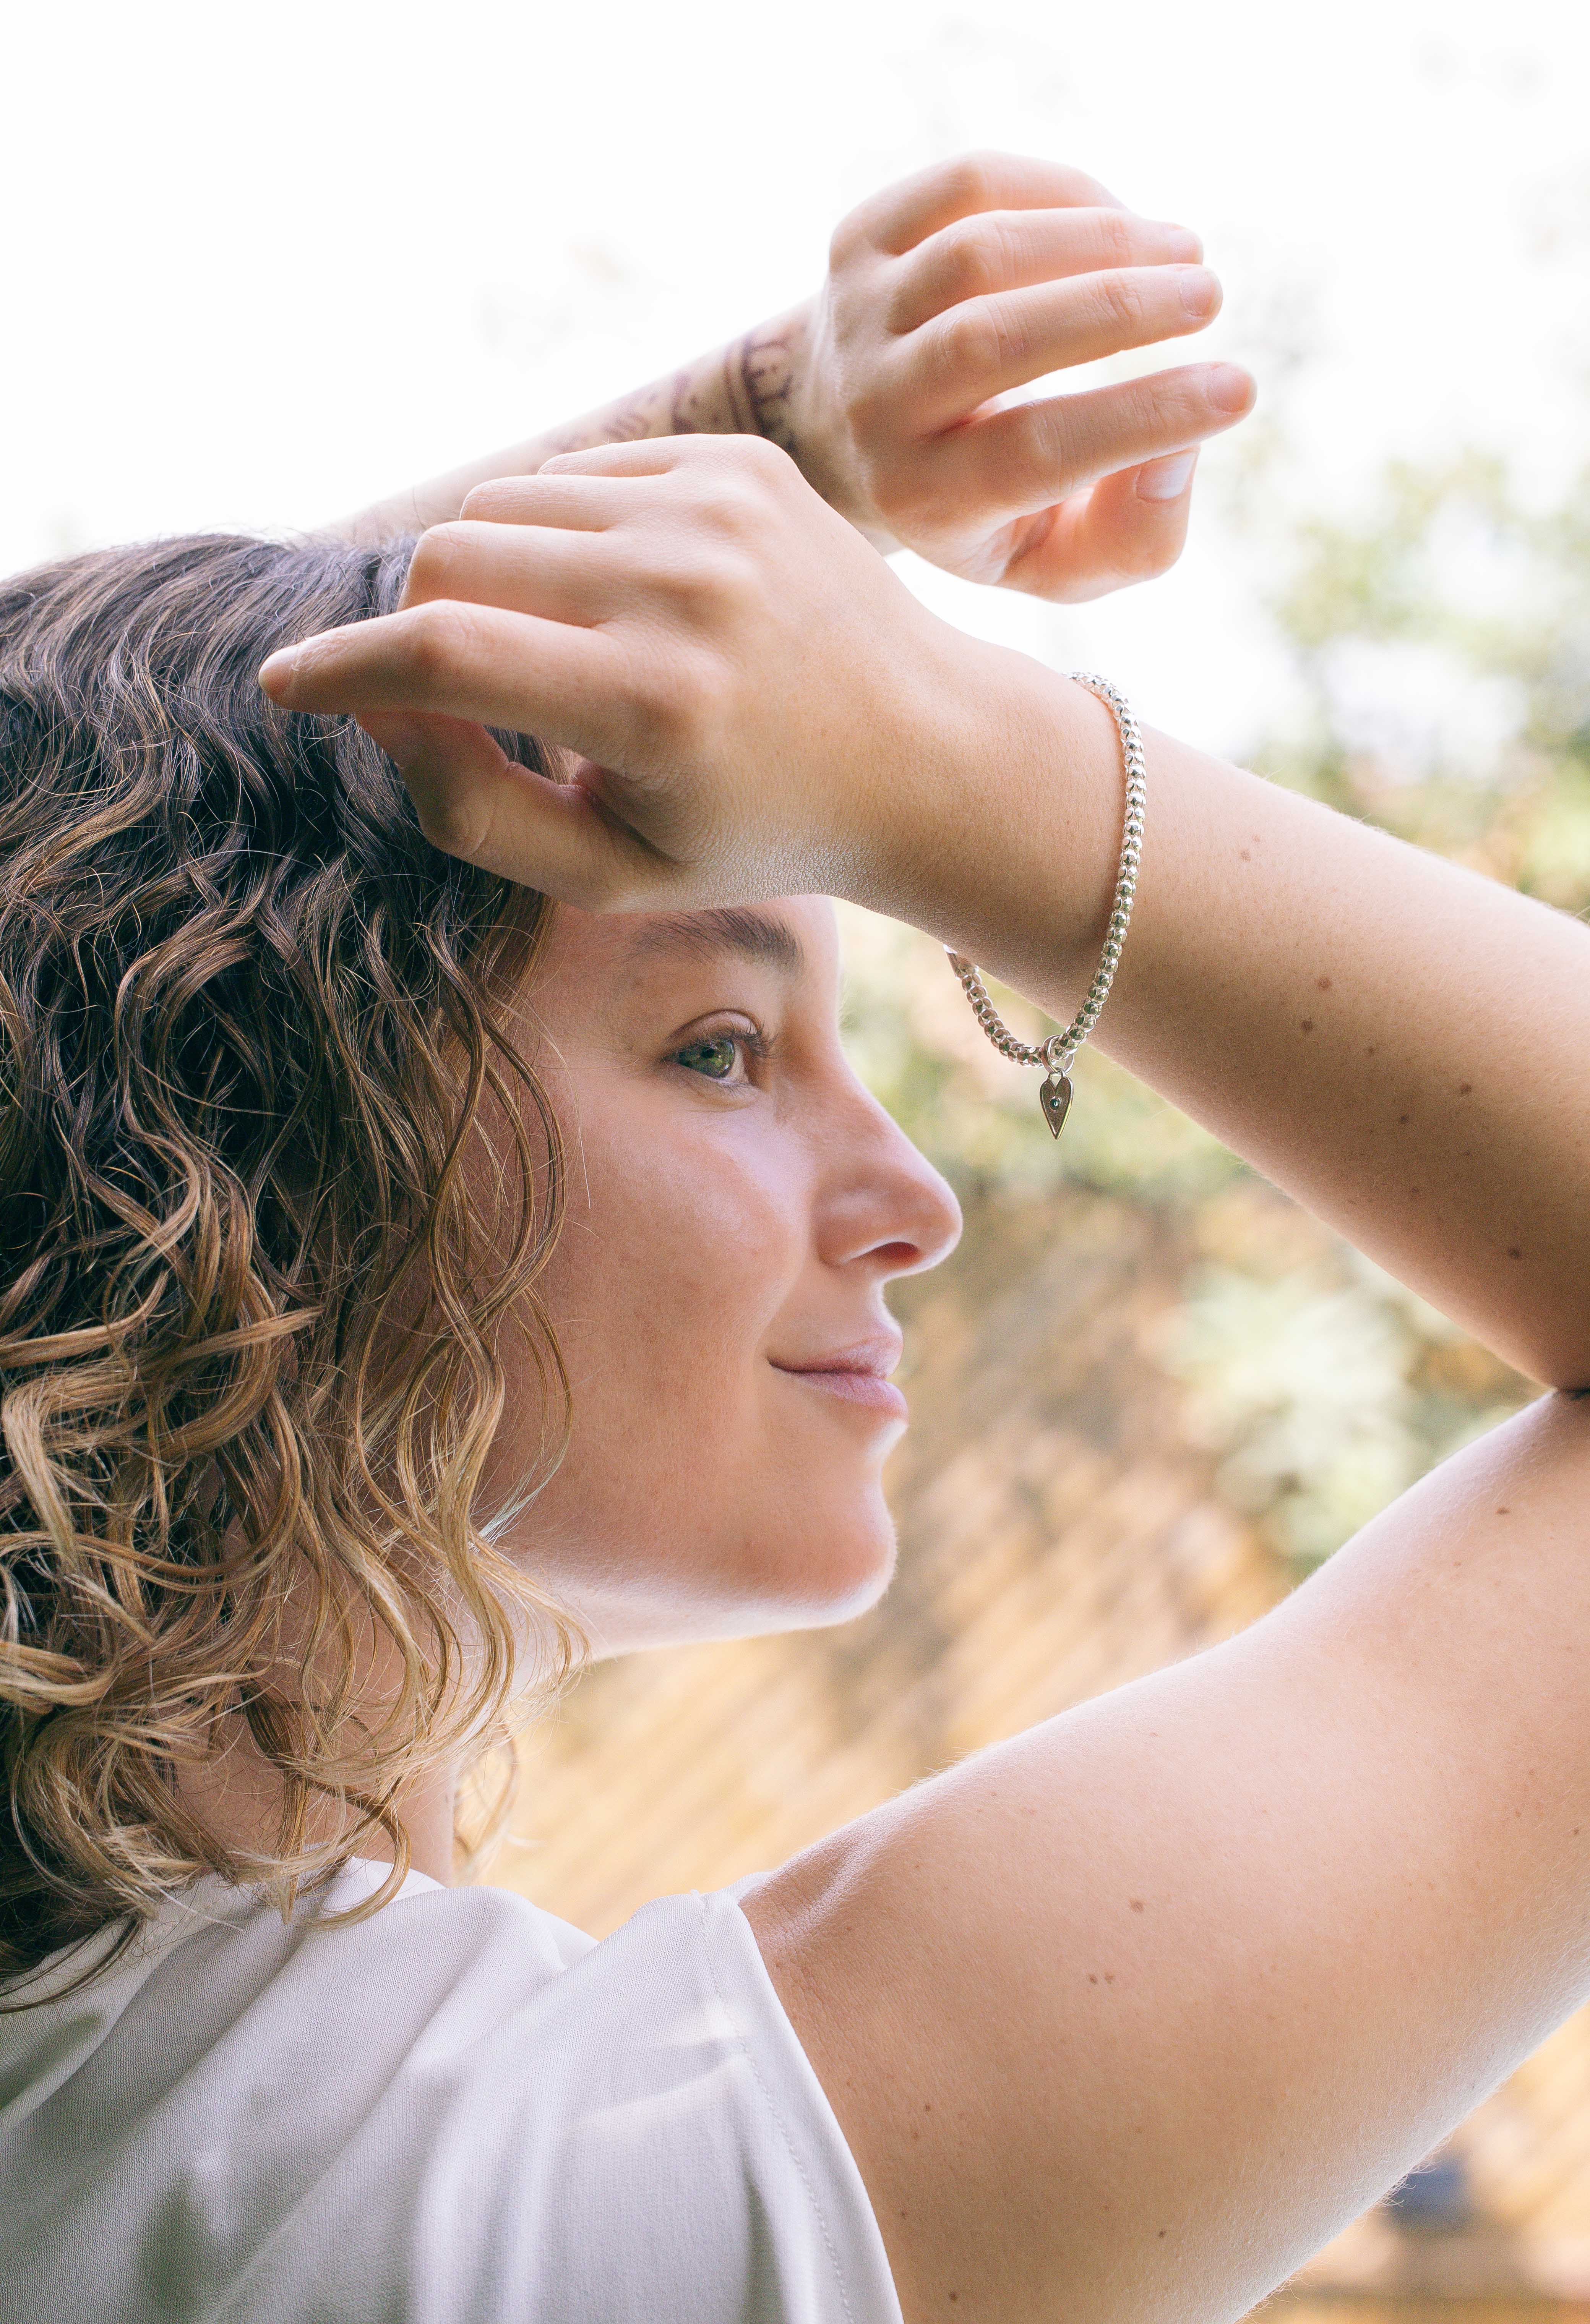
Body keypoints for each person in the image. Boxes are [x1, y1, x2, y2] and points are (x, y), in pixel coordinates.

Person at [1, 151, 1587, 2324]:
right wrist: (964, 768)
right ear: (263, 1124)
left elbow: (96, 811)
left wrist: (755, 437)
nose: (917, 1198)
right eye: (729, 1046)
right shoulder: (511, 2228)